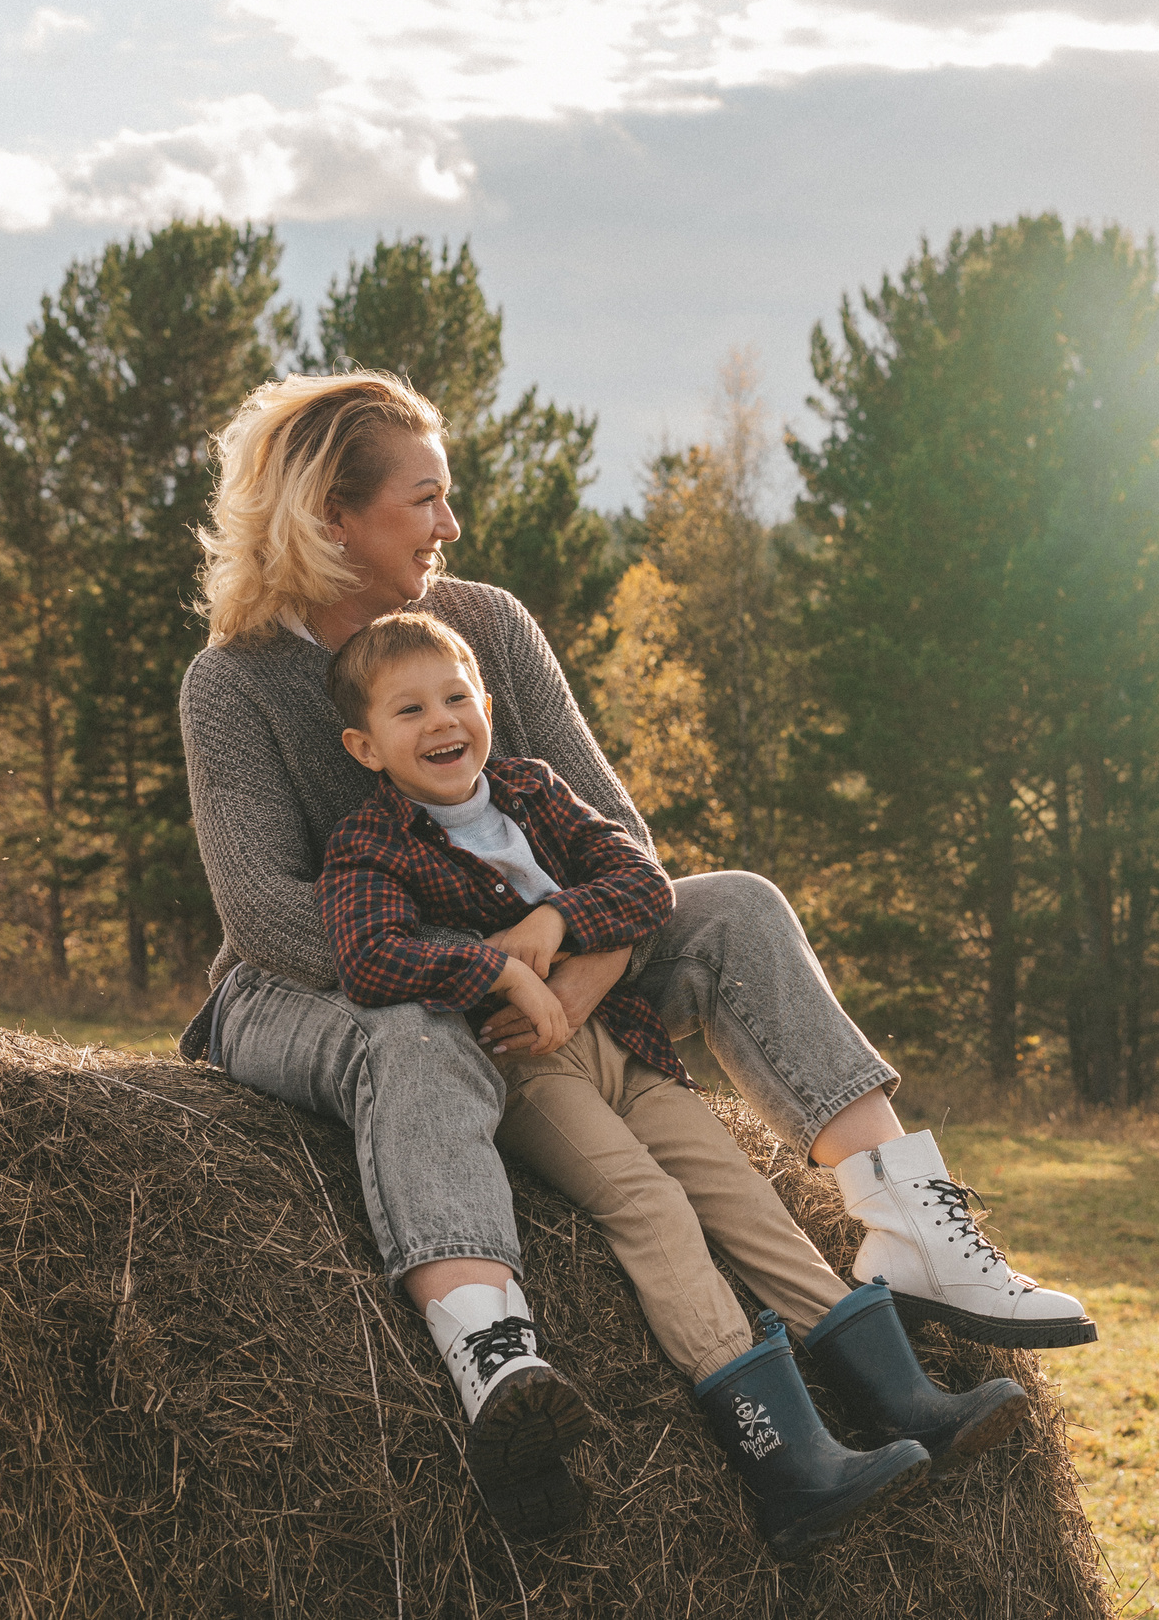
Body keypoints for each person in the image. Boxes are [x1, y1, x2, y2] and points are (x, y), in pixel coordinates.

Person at [176, 370, 1091, 1533]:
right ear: (330, 515)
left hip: (543, 968)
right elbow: (269, 916)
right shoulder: (236, 681)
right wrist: (487, 970)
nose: (451, 526)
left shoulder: (490, 626)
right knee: (410, 1032)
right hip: (316, 985)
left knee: (739, 903)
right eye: (425, 500)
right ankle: (494, 1358)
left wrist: (564, 972)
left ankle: (910, 1219)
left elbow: (630, 853)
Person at [316, 612, 1026, 1556]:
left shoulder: (533, 790)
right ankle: (788, 1463)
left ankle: (904, 1400)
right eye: (410, 709)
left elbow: (644, 882)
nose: (441, 720)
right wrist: (494, 970)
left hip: (627, 1039)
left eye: (455, 697)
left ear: (486, 705)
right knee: (649, 1205)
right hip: (527, 1065)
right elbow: (368, 957)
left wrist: (554, 924)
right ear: (365, 745)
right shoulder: (371, 844)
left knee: (741, 1190)